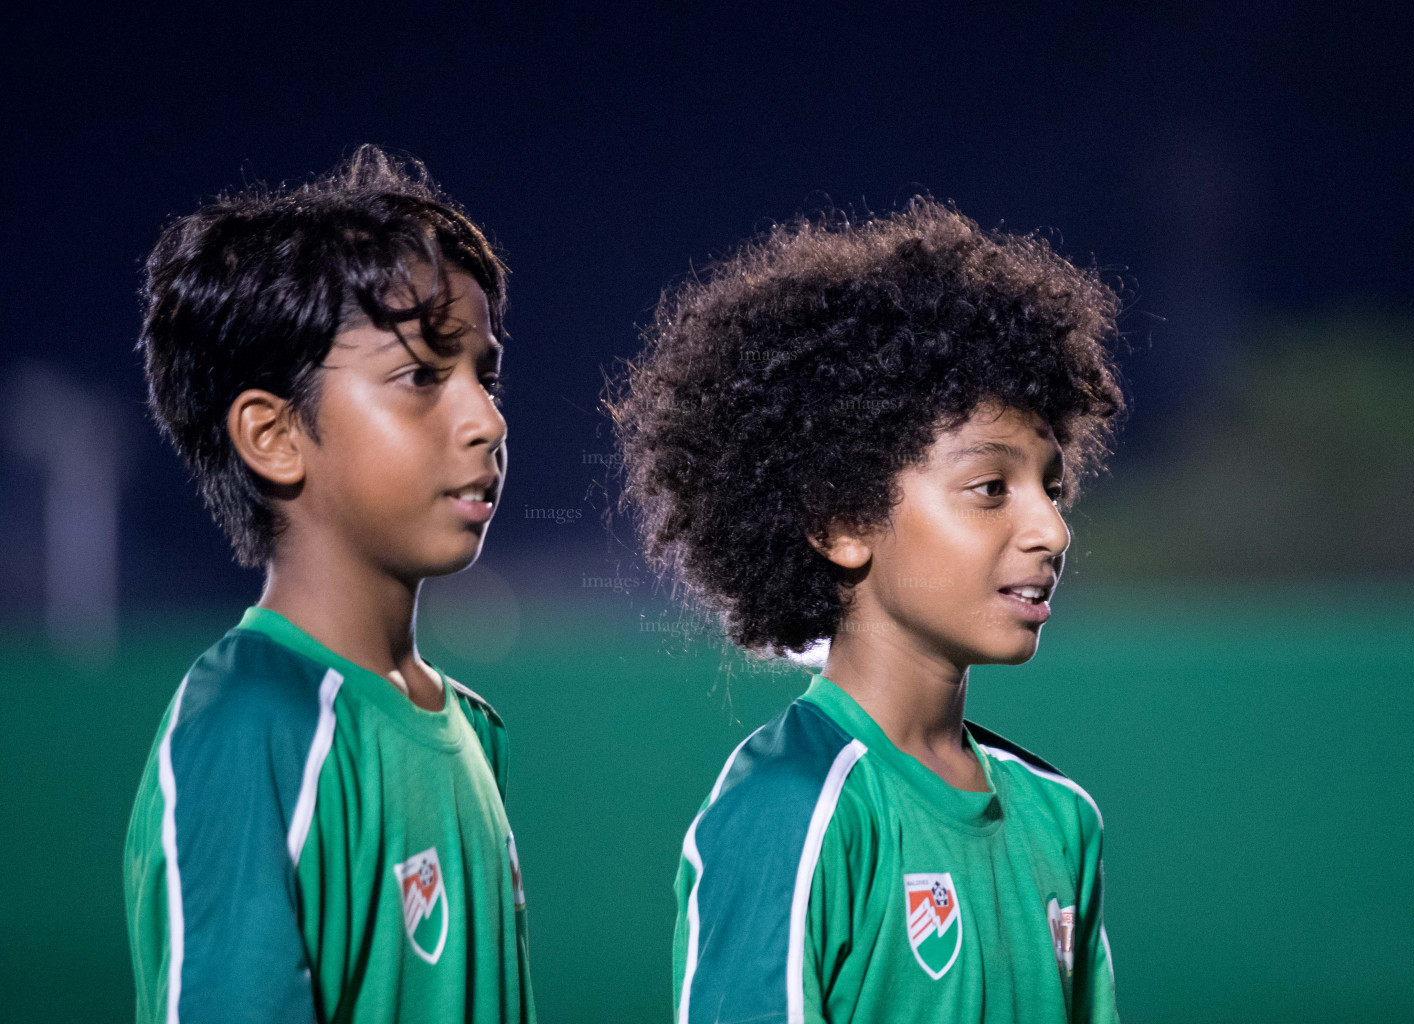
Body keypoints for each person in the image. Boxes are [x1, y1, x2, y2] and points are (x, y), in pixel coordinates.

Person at [609, 198, 1126, 1024]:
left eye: (1051, 488)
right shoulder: (789, 807)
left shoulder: (1062, 818)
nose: (1052, 528)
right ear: (843, 521)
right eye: (992, 488)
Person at [123, 146, 535, 1023]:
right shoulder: (251, 726)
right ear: (273, 434)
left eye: (485, 375)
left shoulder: (468, 727)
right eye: (422, 377)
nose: (488, 419)